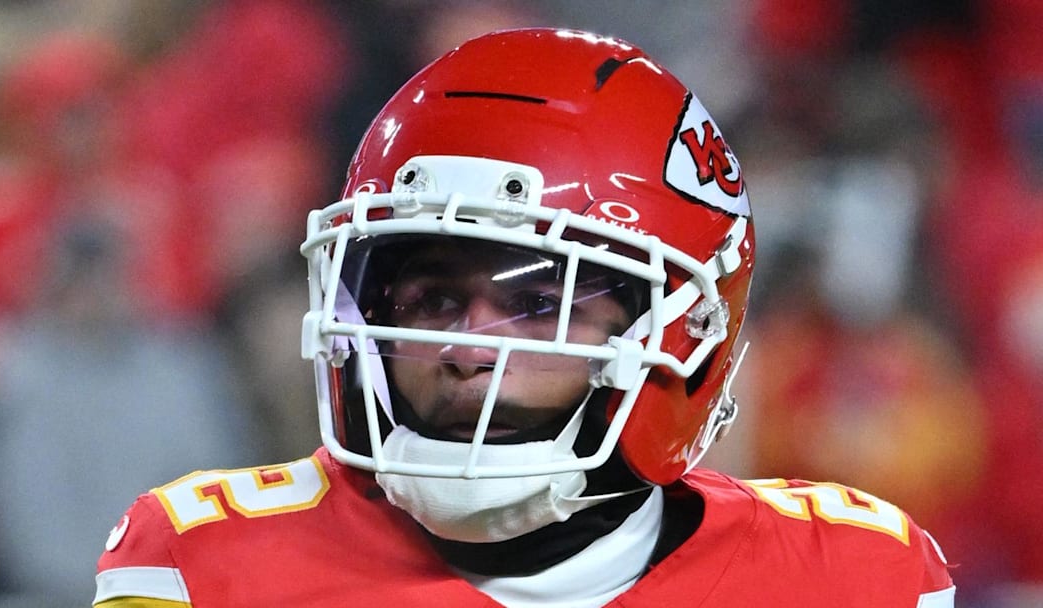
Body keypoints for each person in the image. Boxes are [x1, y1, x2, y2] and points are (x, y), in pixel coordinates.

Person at [92, 28, 955, 607]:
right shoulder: (201, 569)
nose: (470, 346)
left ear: (682, 337)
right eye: (432, 297)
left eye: (539, 304)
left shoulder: (853, 579)